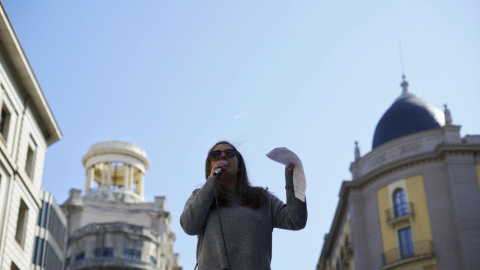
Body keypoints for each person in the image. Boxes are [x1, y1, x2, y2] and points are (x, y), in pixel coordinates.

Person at [180, 141, 307, 270]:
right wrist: (211, 183)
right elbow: (189, 226)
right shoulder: (200, 197)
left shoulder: (262, 198)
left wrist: (293, 177)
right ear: (209, 167)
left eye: (229, 153)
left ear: (239, 165)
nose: (223, 156)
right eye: (216, 154)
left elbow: (296, 220)